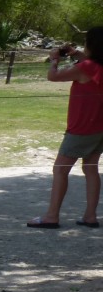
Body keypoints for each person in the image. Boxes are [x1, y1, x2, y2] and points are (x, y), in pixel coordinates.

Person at [27, 26, 103, 228]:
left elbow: (54, 77)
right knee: (91, 168)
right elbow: (91, 66)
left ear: (92, 45)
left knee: (60, 169)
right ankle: (90, 216)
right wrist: (76, 54)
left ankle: (52, 216)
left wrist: (54, 60)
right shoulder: (95, 65)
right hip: (99, 126)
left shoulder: (84, 67)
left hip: (81, 128)